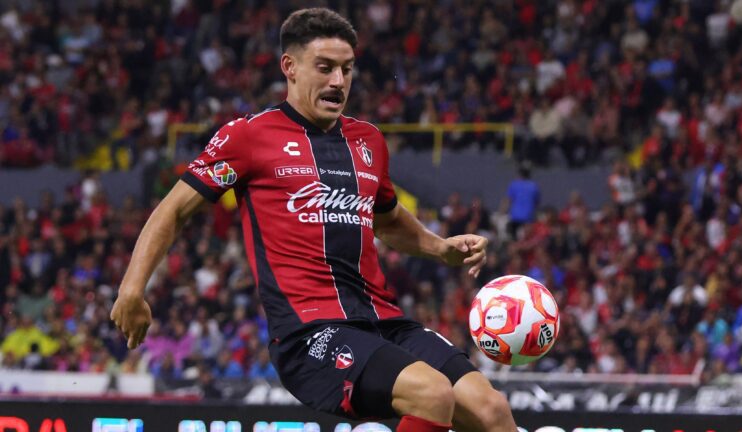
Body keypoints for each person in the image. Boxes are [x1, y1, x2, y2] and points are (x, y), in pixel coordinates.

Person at [110, 8, 515, 432]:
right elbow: (173, 209)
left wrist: (441, 248)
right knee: (432, 393)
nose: (338, 81)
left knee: (492, 411)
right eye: (325, 68)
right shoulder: (247, 136)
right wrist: (132, 289)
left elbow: (388, 219)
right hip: (309, 333)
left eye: (347, 69)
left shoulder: (369, 141)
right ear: (290, 67)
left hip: (383, 320)